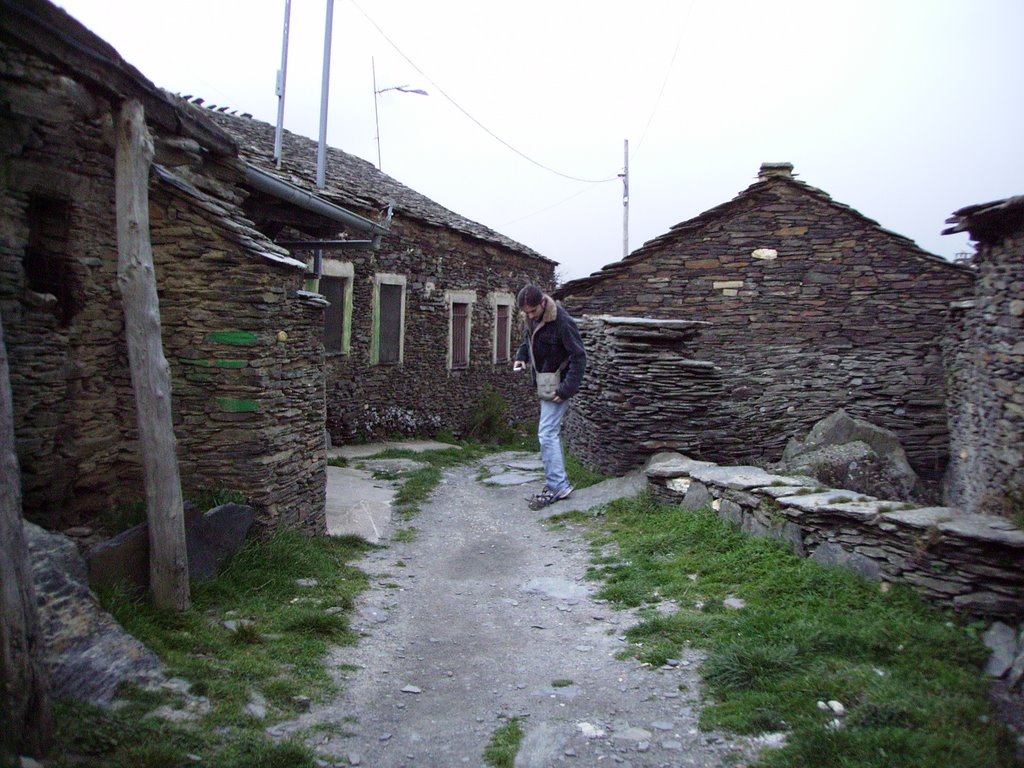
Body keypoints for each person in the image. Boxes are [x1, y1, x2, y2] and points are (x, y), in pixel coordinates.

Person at [512, 284, 586, 510]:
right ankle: (557, 482)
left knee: (546, 433)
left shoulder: (563, 322)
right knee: (549, 433)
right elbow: (529, 340)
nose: (530, 316)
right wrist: (522, 356)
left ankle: (559, 485)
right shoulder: (532, 317)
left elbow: (579, 357)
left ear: (543, 302)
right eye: (526, 313)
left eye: (533, 311)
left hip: (558, 387)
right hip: (545, 383)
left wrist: (566, 390)